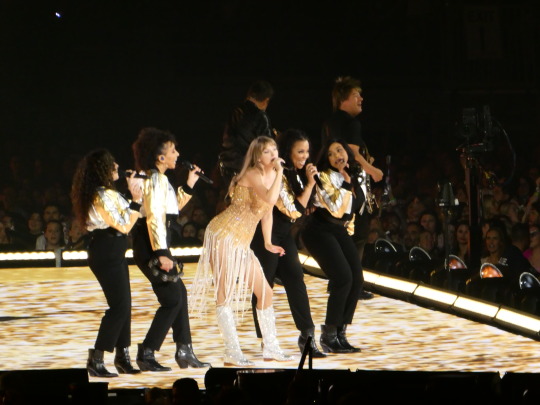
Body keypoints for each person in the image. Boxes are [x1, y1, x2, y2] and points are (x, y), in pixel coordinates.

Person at [190, 135, 294, 366]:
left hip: (242, 242)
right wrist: (280, 173)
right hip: (223, 235)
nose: (273, 154)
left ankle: (271, 347)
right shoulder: (253, 174)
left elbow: (267, 211)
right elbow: (269, 197)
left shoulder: (272, 175)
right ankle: (232, 351)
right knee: (224, 293)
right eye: (267, 151)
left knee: (265, 292)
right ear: (257, 156)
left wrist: (267, 242)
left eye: (274, 149)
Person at [131, 127, 210, 371]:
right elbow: (154, 218)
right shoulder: (154, 179)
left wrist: (189, 185)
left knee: (179, 294)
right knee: (172, 299)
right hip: (151, 245)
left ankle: (184, 350)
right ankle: (147, 352)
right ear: (160, 157)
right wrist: (162, 254)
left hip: (156, 244)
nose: (177, 154)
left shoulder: (159, 179)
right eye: (173, 150)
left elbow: (170, 208)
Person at [250, 129, 325, 358]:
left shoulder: (295, 174)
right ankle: (267, 340)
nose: (305, 156)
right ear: (288, 152)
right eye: (300, 151)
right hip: (265, 234)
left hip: (283, 235)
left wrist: (311, 184)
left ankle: (307, 337)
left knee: (296, 279)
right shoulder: (277, 173)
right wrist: (309, 185)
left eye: (307, 151)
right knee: (264, 288)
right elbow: (293, 210)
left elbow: (308, 206)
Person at [70, 148, 143, 378]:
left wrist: (135, 193)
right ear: (102, 170)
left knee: (125, 305)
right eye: (112, 164)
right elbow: (124, 225)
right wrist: (136, 200)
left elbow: (131, 215)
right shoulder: (99, 196)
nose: (117, 166)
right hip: (106, 249)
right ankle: (97, 358)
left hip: (114, 249)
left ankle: (122, 356)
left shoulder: (109, 193)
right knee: (118, 307)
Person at [299, 139, 365, 353]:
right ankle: (329, 335)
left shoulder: (354, 174)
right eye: (331, 153)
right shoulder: (324, 176)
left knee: (357, 278)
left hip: (338, 229)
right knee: (343, 277)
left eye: (339, 150)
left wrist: (354, 179)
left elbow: (356, 208)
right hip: (319, 229)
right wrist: (346, 183)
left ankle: (340, 333)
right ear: (326, 159)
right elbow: (336, 208)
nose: (337, 155)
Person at [320, 76, 383, 300]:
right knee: (358, 234)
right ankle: (353, 286)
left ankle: (339, 281)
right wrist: (372, 170)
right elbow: (353, 154)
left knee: (340, 231)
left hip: (332, 182)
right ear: (344, 99)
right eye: (356, 95)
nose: (361, 99)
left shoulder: (329, 122)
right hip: (351, 183)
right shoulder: (351, 123)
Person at [217, 80, 276, 191]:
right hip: (247, 169)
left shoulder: (233, 112)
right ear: (266, 100)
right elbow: (268, 146)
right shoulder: (260, 116)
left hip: (225, 168)